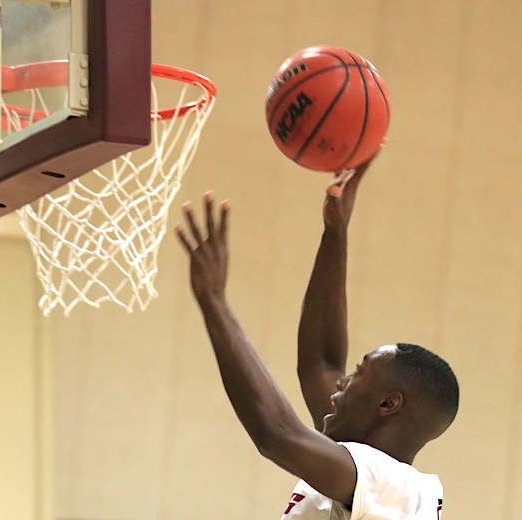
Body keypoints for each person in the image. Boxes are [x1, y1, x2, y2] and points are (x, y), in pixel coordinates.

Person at [175, 161, 459, 519]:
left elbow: (276, 433)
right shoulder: (363, 474)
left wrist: (214, 301)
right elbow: (319, 362)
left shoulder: (396, 486)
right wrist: (335, 231)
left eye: (358, 374)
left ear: (388, 405)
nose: (341, 382)